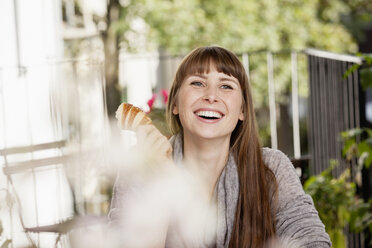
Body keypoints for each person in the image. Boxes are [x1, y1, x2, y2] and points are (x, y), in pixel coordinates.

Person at [109, 46, 331, 248]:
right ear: (174, 103)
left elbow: (312, 241)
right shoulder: (140, 167)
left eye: (226, 86)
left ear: (242, 110)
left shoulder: (271, 168)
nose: (211, 96)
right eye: (197, 83)